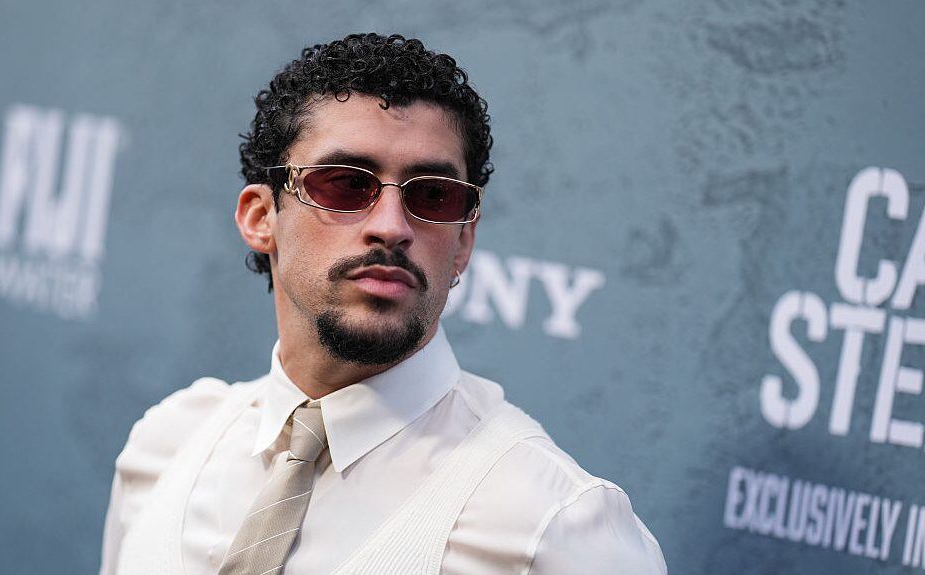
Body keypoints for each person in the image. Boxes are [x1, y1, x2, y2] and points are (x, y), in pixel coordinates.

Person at [99, 32, 667, 575]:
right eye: (345, 184)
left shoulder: (554, 527)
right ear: (259, 217)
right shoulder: (168, 445)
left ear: (464, 240)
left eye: (433, 195)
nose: (392, 227)